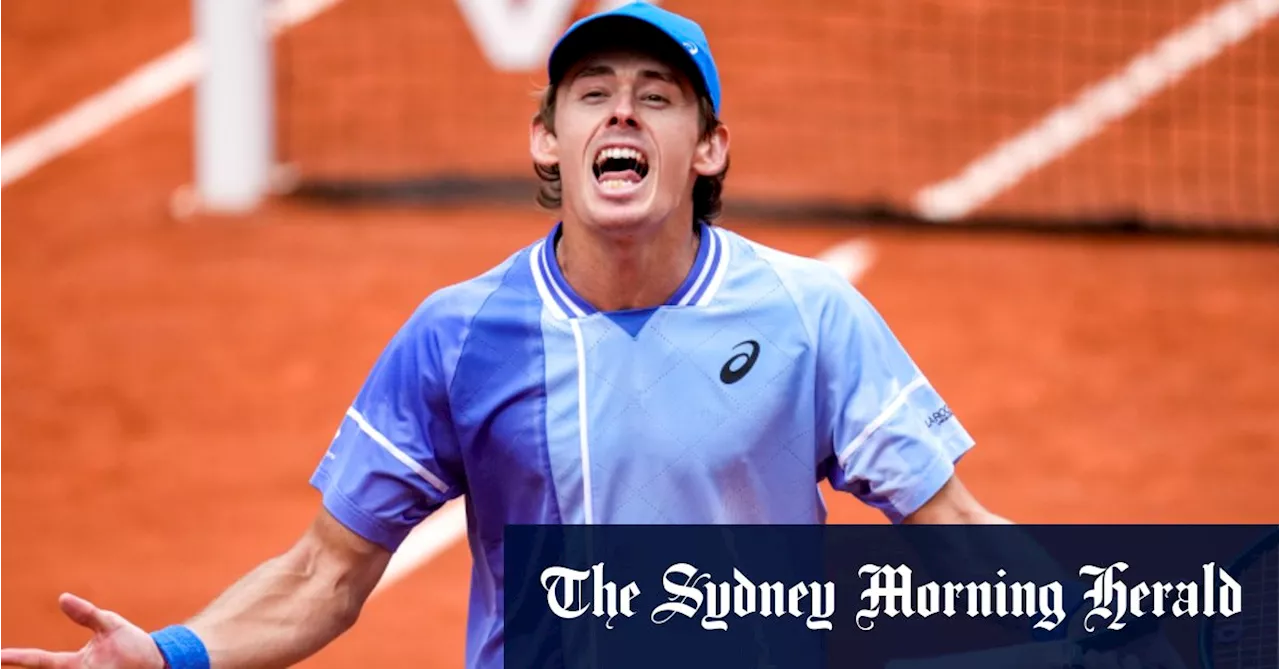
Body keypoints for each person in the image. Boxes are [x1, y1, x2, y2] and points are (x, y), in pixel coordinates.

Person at [0, 4, 1180, 669]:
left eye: (658, 94)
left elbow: (952, 528)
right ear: (546, 143)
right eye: (591, 91)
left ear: (706, 149)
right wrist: (170, 658)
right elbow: (326, 572)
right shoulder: (456, 340)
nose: (622, 108)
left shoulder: (810, 318)